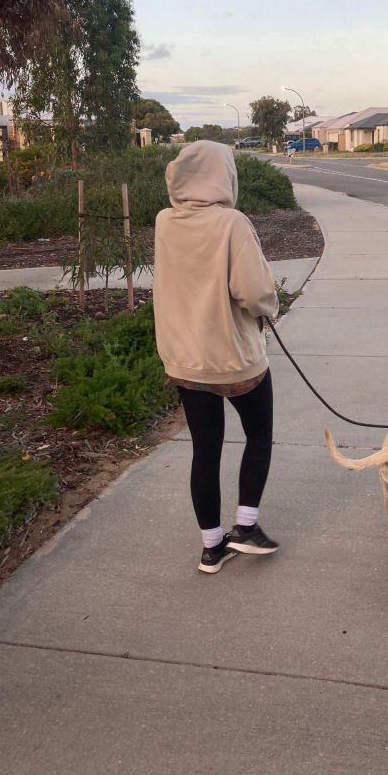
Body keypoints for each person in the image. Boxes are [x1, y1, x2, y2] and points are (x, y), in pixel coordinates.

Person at [153, 140, 280, 573]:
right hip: (233, 357)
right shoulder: (232, 223)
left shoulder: (165, 221)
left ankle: (212, 547)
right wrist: (269, 312)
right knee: (259, 436)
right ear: (223, 175)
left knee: (205, 450)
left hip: (186, 359)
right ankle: (246, 526)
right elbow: (255, 291)